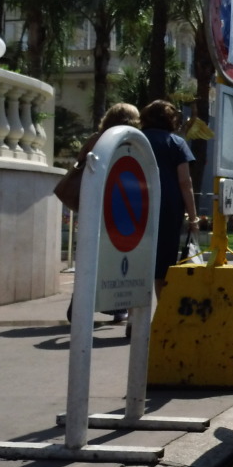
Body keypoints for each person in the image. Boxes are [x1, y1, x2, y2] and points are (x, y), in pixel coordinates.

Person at [63, 102, 141, 324]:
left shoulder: (95, 140)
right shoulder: (130, 142)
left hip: (93, 206)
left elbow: (80, 164)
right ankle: (118, 307)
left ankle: (79, 300)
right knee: (118, 255)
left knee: (90, 255)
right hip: (119, 207)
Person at [140, 100, 198, 298]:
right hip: (168, 208)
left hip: (138, 205)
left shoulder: (136, 139)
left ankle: (133, 318)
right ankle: (161, 312)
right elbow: (185, 182)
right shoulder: (176, 143)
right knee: (164, 263)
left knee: (138, 259)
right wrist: (193, 217)